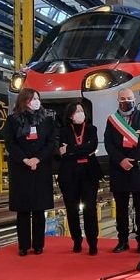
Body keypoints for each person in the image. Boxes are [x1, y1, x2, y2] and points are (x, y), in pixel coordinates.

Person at [3, 88, 58, 256]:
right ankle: (23, 245)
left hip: (41, 168)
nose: (36, 101)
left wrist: (38, 159)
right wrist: (25, 159)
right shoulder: (12, 120)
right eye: (33, 98)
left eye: (37, 98)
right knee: (23, 210)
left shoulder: (47, 120)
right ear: (24, 100)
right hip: (21, 168)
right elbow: (10, 143)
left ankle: (39, 244)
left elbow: (51, 143)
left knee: (39, 209)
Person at [57, 99, 102, 255]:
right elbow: (61, 153)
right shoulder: (63, 131)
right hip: (69, 175)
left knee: (90, 208)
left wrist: (70, 149)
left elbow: (92, 146)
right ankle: (77, 240)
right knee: (72, 209)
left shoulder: (91, 129)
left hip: (89, 174)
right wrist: (82, 150)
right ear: (70, 115)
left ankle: (93, 242)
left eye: (82, 111)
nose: (80, 114)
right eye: (77, 111)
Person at [103, 88, 140, 253]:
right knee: (121, 209)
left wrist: (134, 160)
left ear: (134, 99)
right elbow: (108, 143)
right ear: (118, 100)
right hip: (118, 169)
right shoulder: (112, 120)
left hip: (137, 168)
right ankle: (122, 240)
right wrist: (121, 160)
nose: (126, 101)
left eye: (129, 98)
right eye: (122, 98)